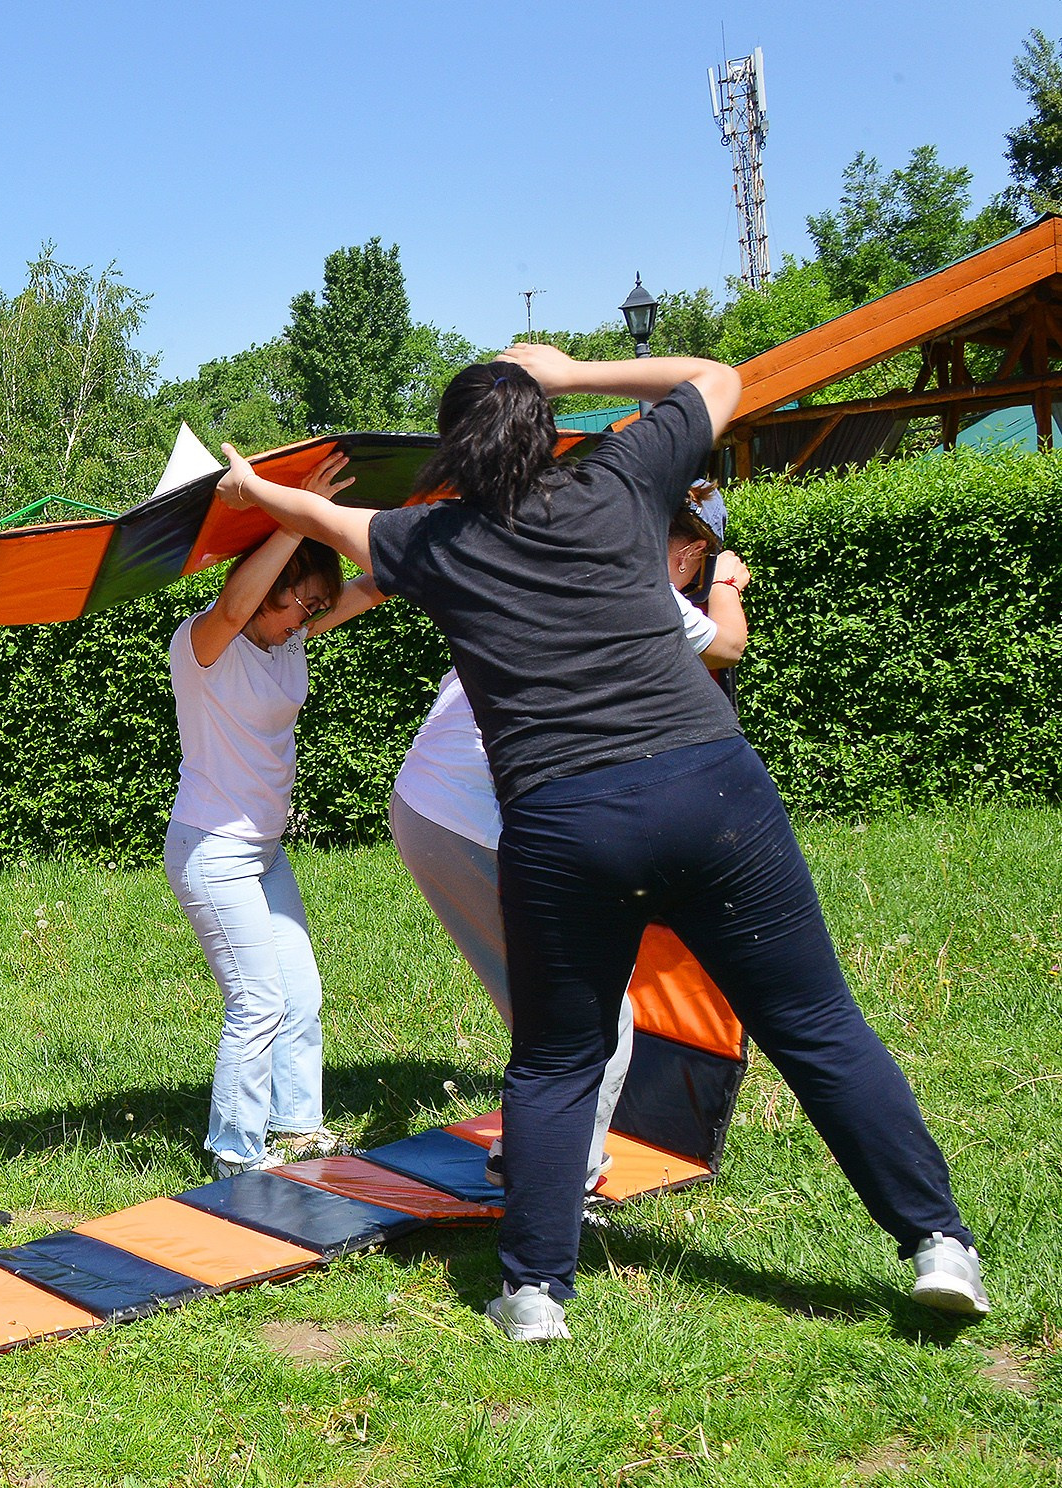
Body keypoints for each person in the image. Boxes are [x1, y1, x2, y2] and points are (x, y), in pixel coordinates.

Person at [216, 343, 986, 1341]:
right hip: (710, 789)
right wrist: (571, 368)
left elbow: (317, 516)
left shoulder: (429, 539)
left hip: (564, 819)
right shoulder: (619, 476)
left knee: (556, 1057)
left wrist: (246, 485)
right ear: (545, 430)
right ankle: (937, 1242)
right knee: (814, 1023)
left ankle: (535, 1292)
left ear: (452, 449)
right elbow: (717, 380)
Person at [387, 485, 755, 1195]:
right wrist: (730, 584)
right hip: (473, 820)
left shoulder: (553, 556)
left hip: (423, 804)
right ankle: (564, 1180)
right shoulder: (638, 586)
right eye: (698, 566)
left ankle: (528, 1149)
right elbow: (729, 644)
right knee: (597, 1017)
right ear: (687, 554)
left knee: (541, 1007)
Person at [168, 452, 387, 1178]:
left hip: (264, 850)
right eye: (302, 602)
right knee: (257, 1001)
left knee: (301, 993)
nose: (312, 616)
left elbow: (369, 590)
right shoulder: (205, 643)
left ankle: (296, 1127)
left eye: (315, 609)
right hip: (212, 849)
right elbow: (234, 605)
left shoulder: (286, 637)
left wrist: (428, 542)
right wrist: (292, 513)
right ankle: (236, 1153)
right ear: (267, 588)